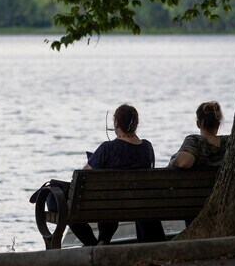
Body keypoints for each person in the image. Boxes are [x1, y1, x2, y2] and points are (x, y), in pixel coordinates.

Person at [69, 104, 166, 246]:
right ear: (136, 124)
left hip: (111, 206)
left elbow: (85, 175)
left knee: (67, 205)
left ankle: (94, 244)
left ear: (116, 123)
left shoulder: (107, 148)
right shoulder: (147, 147)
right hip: (141, 205)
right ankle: (102, 240)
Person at [168, 101, 229, 169]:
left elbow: (184, 163)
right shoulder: (230, 143)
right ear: (218, 124)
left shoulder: (195, 141)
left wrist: (173, 161)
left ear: (198, 124)